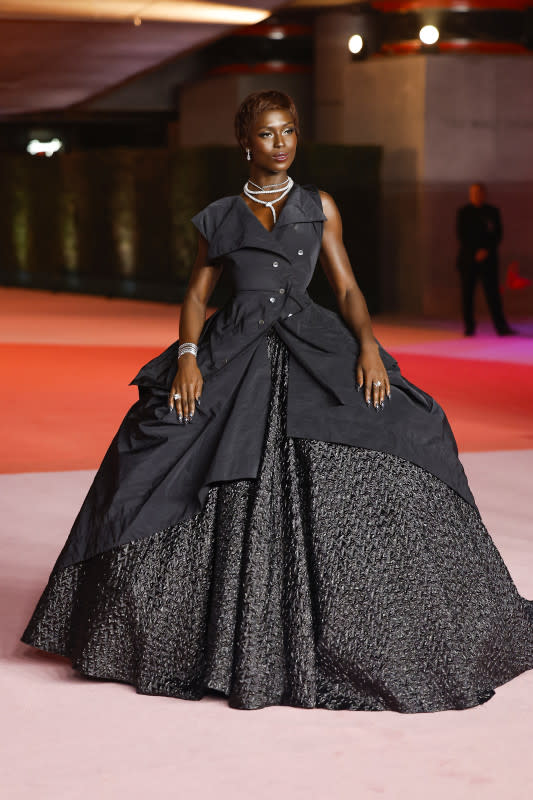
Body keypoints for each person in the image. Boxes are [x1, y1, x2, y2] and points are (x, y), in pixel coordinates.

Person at [21, 91, 533, 713]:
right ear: (247, 142)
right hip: (233, 347)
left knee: (410, 422)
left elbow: (345, 286)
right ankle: (147, 627)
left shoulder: (320, 207)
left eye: (289, 131)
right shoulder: (219, 216)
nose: (282, 143)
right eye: (268, 134)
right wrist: (185, 355)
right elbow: (194, 295)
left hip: (310, 339)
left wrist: (368, 346)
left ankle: (404, 615)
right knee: (154, 437)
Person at [456, 183, 514, 336]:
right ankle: (469, 327)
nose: (475, 195)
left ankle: (501, 327)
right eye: (473, 193)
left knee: (493, 294)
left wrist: (486, 250)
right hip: (469, 259)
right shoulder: (464, 212)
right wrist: (474, 251)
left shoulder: (492, 212)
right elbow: (462, 235)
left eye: (478, 192)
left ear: (483, 194)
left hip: (489, 260)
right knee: (467, 294)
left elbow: (498, 234)